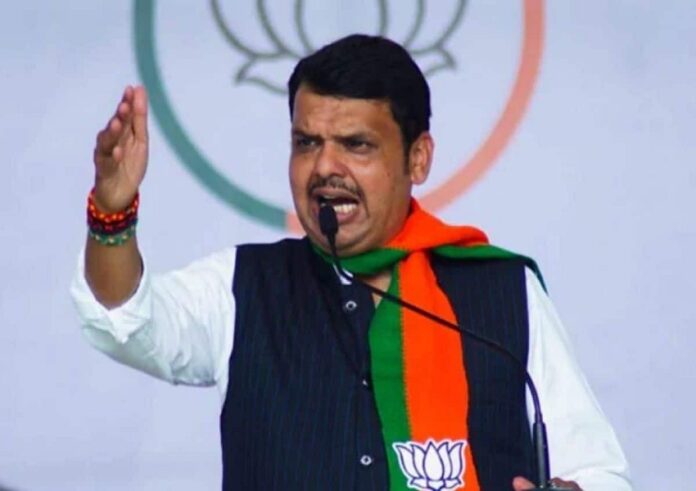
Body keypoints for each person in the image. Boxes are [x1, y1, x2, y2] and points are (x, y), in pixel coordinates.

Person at [71, 35, 631, 490]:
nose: (325, 168)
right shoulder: (243, 287)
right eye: (307, 143)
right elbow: (125, 321)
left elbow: (596, 472)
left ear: (418, 158)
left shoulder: (502, 291)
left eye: (356, 145)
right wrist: (112, 215)